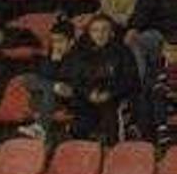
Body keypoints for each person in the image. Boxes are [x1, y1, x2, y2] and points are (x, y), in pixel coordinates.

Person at [60, 15, 142, 143]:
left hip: (114, 97)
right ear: (89, 33)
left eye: (104, 30)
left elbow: (130, 80)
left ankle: (112, 148)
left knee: (109, 112)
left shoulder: (123, 52)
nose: (100, 34)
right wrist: (88, 93)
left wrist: (109, 93)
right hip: (86, 98)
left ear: (112, 33)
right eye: (95, 30)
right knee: (79, 120)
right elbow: (73, 79)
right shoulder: (79, 53)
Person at [17, 21, 77, 142]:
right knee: (26, 77)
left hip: (66, 99)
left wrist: (56, 66)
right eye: (54, 41)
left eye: (60, 41)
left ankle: (41, 128)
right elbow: (40, 77)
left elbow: (69, 82)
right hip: (46, 97)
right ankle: (40, 129)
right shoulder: (50, 57)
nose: (56, 45)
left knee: (48, 89)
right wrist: (54, 64)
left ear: (71, 42)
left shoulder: (77, 59)